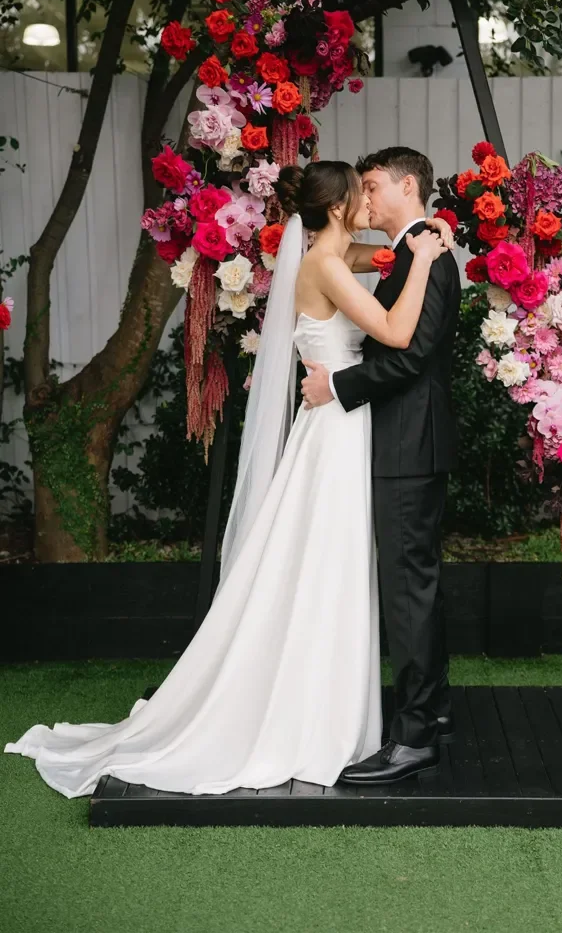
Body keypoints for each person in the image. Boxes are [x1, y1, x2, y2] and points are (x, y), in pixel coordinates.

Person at [4, 160, 453, 797]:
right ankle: (315, 715)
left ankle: (349, 707)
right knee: (326, 563)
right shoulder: (323, 265)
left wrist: (419, 237)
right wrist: (429, 257)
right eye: (359, 192)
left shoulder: (334, 253)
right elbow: (397, 331)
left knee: (336, 565)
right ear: (334, 208)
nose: (366, 197)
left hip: (347, 427)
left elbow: (377, 256)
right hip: (337, 433)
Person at [301, 147, 461, 785]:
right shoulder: (411, 249)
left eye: (375, 186)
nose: (367, 198)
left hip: (405, 445)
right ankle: (434, 708)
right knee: (414, 583)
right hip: (401, 441)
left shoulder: (429, 253)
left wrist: (336, 387)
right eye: (360, 189)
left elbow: (410, 356)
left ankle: (415, 735)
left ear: (408, 185)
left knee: (407, 588)